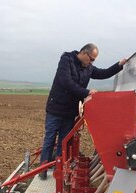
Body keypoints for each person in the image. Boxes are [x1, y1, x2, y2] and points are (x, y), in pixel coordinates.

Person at [40, 43, 127, 179]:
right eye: (91, 59)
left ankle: (59, 170)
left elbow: (103, 73)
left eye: (94, 60)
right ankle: (43, 170)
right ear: (84, 53)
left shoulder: (89, 68)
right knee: (50, 139)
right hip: (55, 108)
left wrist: (119, 65)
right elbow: (66, 82)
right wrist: (87, 92)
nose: (92, 62)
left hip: (70, 111)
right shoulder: (66, 60)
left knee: (64, 142)